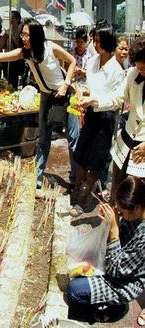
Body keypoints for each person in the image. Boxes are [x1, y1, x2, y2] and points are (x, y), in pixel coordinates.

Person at [0, 18, 79, 189]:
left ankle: (76, 179)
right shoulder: (25, 52)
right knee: (43, 138)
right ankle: (38, 175)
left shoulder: (51, 47)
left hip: (65, 95)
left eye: (26, 35)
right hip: (46, 96)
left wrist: (65, 85)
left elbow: (72, 61)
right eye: (23, 34)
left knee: (73, 137)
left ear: (35, 35)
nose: (23, 38)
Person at [67, 176, 145, 324]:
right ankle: (109, 303)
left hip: (125, 281)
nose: (119, 215)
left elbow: (117, 269)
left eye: (121, 213)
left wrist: (114, 230)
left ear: (137, 208)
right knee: (76, 269)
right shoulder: (136, 215)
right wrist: (108, 225)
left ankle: (114, 310)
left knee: (74, 290)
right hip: (115, 264)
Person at [80, 37, 145, 200]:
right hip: (127, 138)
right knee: (117, 188)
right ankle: (114, 220)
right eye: (139, 68)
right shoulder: (132, 74)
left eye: (144, 69)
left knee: (135, 195)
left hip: (142, 146)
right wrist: (94, 100)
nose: (141, 72)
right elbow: (117, 97)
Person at [70, 28, 123, 216]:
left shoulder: (116, 71)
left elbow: (115, 101)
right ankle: (75, 192)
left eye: (98, 41)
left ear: (107, 43)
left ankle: (85, 197)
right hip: (91, 113)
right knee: (82, 154)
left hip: (106, 117)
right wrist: (82, 94)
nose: (95, 44)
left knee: (95, 160)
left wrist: (93, 100)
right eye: (94, 40)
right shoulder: (93, 61)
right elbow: (88, 86)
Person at [7, 10, 25, 88]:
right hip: (9, 57)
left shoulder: (21, 29)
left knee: (16, 80)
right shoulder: (11, 28)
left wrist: (11, 37)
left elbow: (20, 46)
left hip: (18, 59)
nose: (11, 19)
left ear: (17, 19)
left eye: (12, 17)